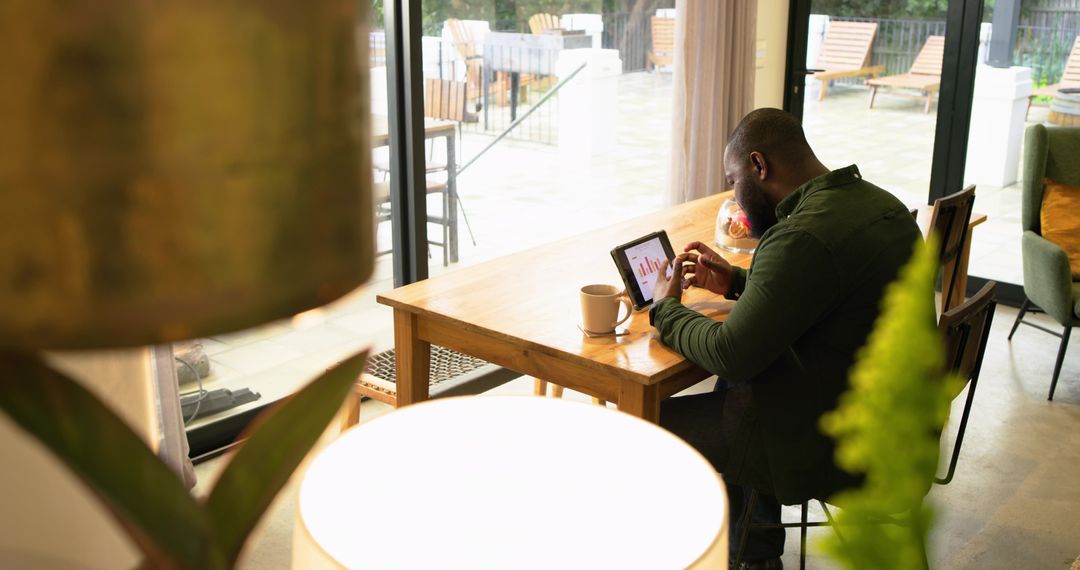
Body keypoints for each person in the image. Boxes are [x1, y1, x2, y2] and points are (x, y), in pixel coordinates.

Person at [649, 108, 922, 569]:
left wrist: (665, 309)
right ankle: (753, 552)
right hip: (892, 418)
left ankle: (727, 554)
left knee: (645, 421)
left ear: (759, 166)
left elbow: (728, 352)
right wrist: (737, 282)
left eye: (734, 180)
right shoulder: (883, 205)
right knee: (743, 388)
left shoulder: (799, 234)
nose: (736, 195)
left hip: (835, 439)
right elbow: (824, 292)